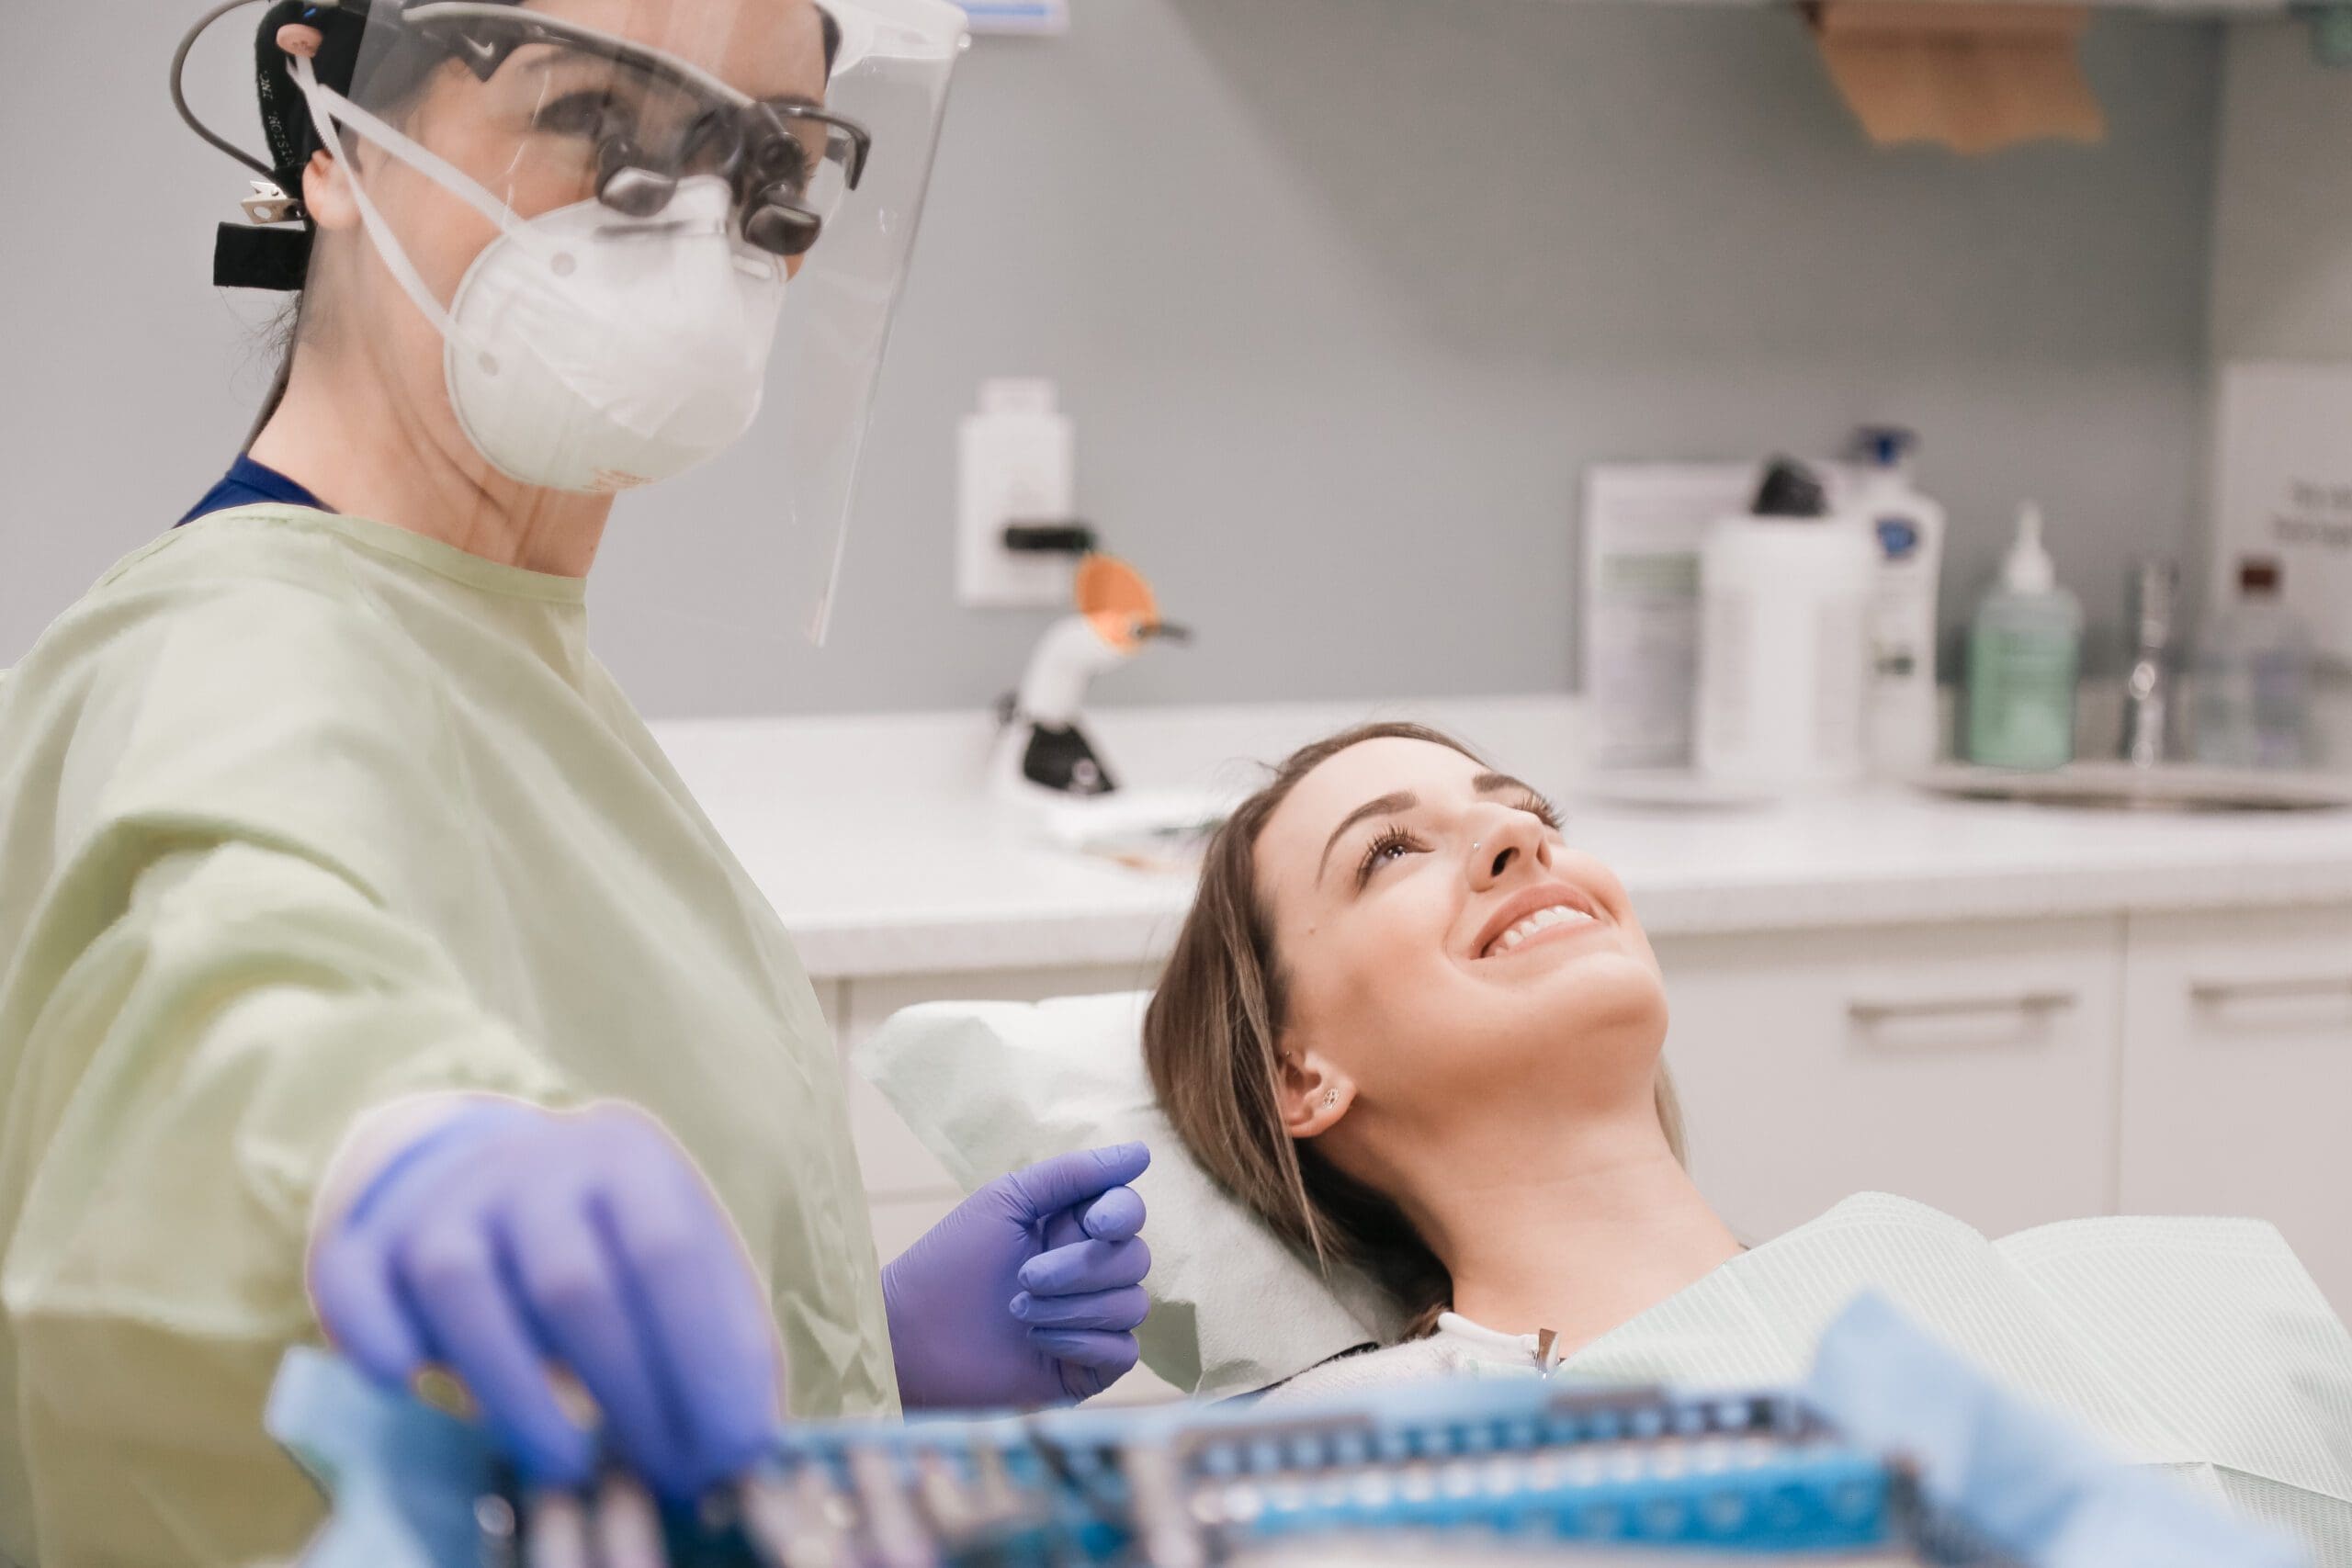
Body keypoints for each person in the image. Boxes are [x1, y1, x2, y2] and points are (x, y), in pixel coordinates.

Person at [0, 3, 1150, 1563]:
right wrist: (387, 1151)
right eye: (600, 122)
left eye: (771, 165)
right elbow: (232, 993)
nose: (695, 222)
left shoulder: (504, 661)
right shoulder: (234, 652)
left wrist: (859, 1365)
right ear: (329, 114)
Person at [1142, 721, 2351, 1561]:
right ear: (1300, 1072)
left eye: (1531, 816)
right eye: (1389, 851)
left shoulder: (2083, 1304)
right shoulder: (1411, 1480)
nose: (1523, 846)